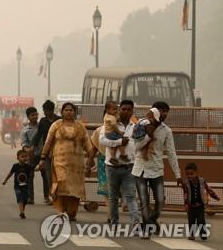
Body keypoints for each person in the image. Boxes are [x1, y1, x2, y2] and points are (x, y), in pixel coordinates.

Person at [132, 101, 182, 238]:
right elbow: (136, 147)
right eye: (160, 110)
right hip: (141, 168)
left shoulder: (167, 131)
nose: (163, 113)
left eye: (166, 111)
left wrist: (178, 174)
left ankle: (151, 220)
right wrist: (149, 135)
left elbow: (171, 152)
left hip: (157, 169)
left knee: (160, 200)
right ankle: (146, 229)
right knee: (144, 200)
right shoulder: (141, 125)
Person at [38, 102, 92, 221]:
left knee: (74, 189)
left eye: (71, 110)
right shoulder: (56, 125)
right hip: (59, 162)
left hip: (76, 165)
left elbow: (88, 144)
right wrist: (42, 157)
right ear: (62, 112)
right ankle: (61, 211)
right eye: (66, 110)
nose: (69, 112)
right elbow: (48, 142)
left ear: (75, 112)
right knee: (61, 185)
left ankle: (71, 213)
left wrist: (91, 158)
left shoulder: (80, 126)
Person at [93, 100, 141, 226]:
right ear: (120, 110)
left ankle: (136, 222)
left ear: (132, 111)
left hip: (129, 166)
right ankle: (114, 222)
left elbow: (141, 142)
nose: (126, 111)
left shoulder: (136, 125)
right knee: (113, 197)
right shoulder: (110, 122)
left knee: (131, 196)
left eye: (128, 109)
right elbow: (102, 141)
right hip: (112, 167)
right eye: (123, 109)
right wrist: (119, 142)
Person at [31, 100, 60, 204]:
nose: (44, 112)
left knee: (58, 174)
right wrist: (33, 146)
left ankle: (58, 195)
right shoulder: (43, 121)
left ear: (51, 110)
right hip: (46, 152)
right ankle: (51, 195)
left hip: (59, 152)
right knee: (48, 175)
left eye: (45, 110)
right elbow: (39, 135)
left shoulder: (59, 120)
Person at [182, 163, 220, 240]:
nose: (189, 176)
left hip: (200, 206)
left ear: (196, 172)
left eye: (191, 173)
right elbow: (185, 194)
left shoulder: (202, 181)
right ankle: (192, 234)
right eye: (187, 174)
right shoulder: (186, 183)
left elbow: (208, 189)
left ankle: (203, 233)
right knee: (191, 221)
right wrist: (186, 204)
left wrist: (215, 196)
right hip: (191, 206)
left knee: (201, 220)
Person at [2, 150, 38, 219]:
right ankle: (22, 212)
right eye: (22, 156)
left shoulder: (28, 166)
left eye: (26, 157)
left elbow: (35, 169)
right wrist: (5, 180)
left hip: (26, 186)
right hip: (17, 186)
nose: (24, 158)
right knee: (20, 198)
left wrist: (39, 167)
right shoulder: (15, 166)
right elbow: (10, 173)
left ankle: (22, 211)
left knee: (25, 200)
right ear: (17, 158)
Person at [85, 126, 111, 223]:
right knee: (106, 190)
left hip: (120, 162)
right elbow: (94, 148)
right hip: (103, 161)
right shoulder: (99, 131)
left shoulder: (123, 129)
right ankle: (110, 215)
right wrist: (89, 163)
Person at [20, 106, 39, 204]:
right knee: (30, 176)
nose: (35, 117)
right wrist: (27, 150)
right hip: (32, 155)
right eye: (33, 115)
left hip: (44, 154)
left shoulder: (42, 127)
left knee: (47, 176)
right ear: (28, 117)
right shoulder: (25, 130)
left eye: (36, 114)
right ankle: (30, 198)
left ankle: (48, 197)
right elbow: (23, 143)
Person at [103, 101, 129, 165]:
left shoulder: (108, 115)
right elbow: (115, 127)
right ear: (108, 110)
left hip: (109, 133)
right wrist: (120, 133)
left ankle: (112, 158)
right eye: (114, 109)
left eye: (116, 109)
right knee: (121, 142)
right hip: (111, 133)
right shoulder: (111, 118)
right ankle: (123, 156)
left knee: (113, 146)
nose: (116, 111)